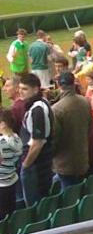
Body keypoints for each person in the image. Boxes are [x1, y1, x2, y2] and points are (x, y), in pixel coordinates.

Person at [18, 73, 54, 206]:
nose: (20, 91)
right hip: (39, 164)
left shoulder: (37, 109)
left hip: (36, 166)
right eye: (20, 88)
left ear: (35, 90)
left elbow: (38, 143)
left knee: (35, 206)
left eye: (25, 89)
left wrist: (26, 164)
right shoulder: (39, 104)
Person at [51, 71, 92, 188]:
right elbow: (90, 128)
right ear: (74, 84)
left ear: (59, 85)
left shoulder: (56, 109)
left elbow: (55, 139)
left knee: (69, 194)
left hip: (64, 163)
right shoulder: (85, 101)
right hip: (82, 158)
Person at [0, 109, 22, 219]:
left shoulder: (1, 143)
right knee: (10, 211)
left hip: (2, 184)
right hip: (11, 180)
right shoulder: (16, 138)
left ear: (3, 124)